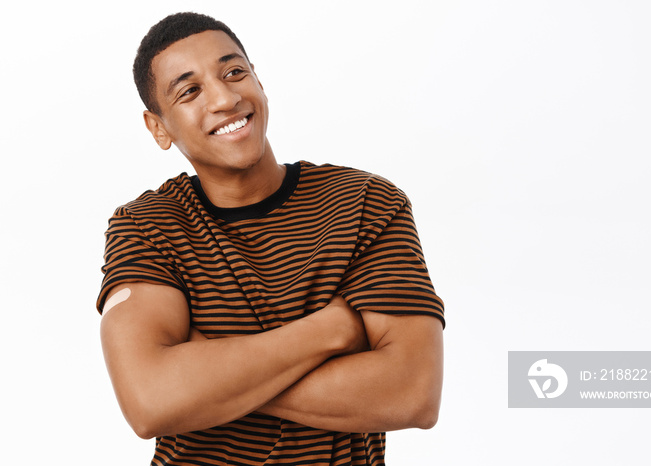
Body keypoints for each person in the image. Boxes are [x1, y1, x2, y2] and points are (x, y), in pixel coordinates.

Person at [97, 11, 444, 466]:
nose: (224, 98)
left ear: (258, 81)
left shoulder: (365, 202)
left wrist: (206, 378)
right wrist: (330, 330)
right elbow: (151, 403)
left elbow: (412, 392)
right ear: (158, 126)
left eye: (234, 72)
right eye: (190, 90)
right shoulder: (148, 227)